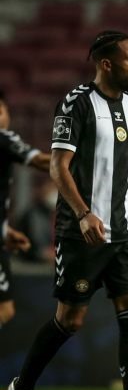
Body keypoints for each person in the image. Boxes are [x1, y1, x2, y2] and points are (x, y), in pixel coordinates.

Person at [7, 30, 128, 390]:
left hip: (127, 232)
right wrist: (84, 214)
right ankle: (22, 387)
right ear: (106, 64)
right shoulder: (77, 103)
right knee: (70, 320)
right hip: (82, 232)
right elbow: (58, 166)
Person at [0, 90, 52, 327]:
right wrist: (79, 159)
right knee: (3, 309)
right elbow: (41, 161)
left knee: (5, 309)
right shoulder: (3, 138)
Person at [17, 180, 57, 264]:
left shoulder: (70, 217)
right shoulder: (30, 216)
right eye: (50, 187)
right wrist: (41, 254)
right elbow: (21, 246)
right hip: (35, 269)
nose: (54, 191)